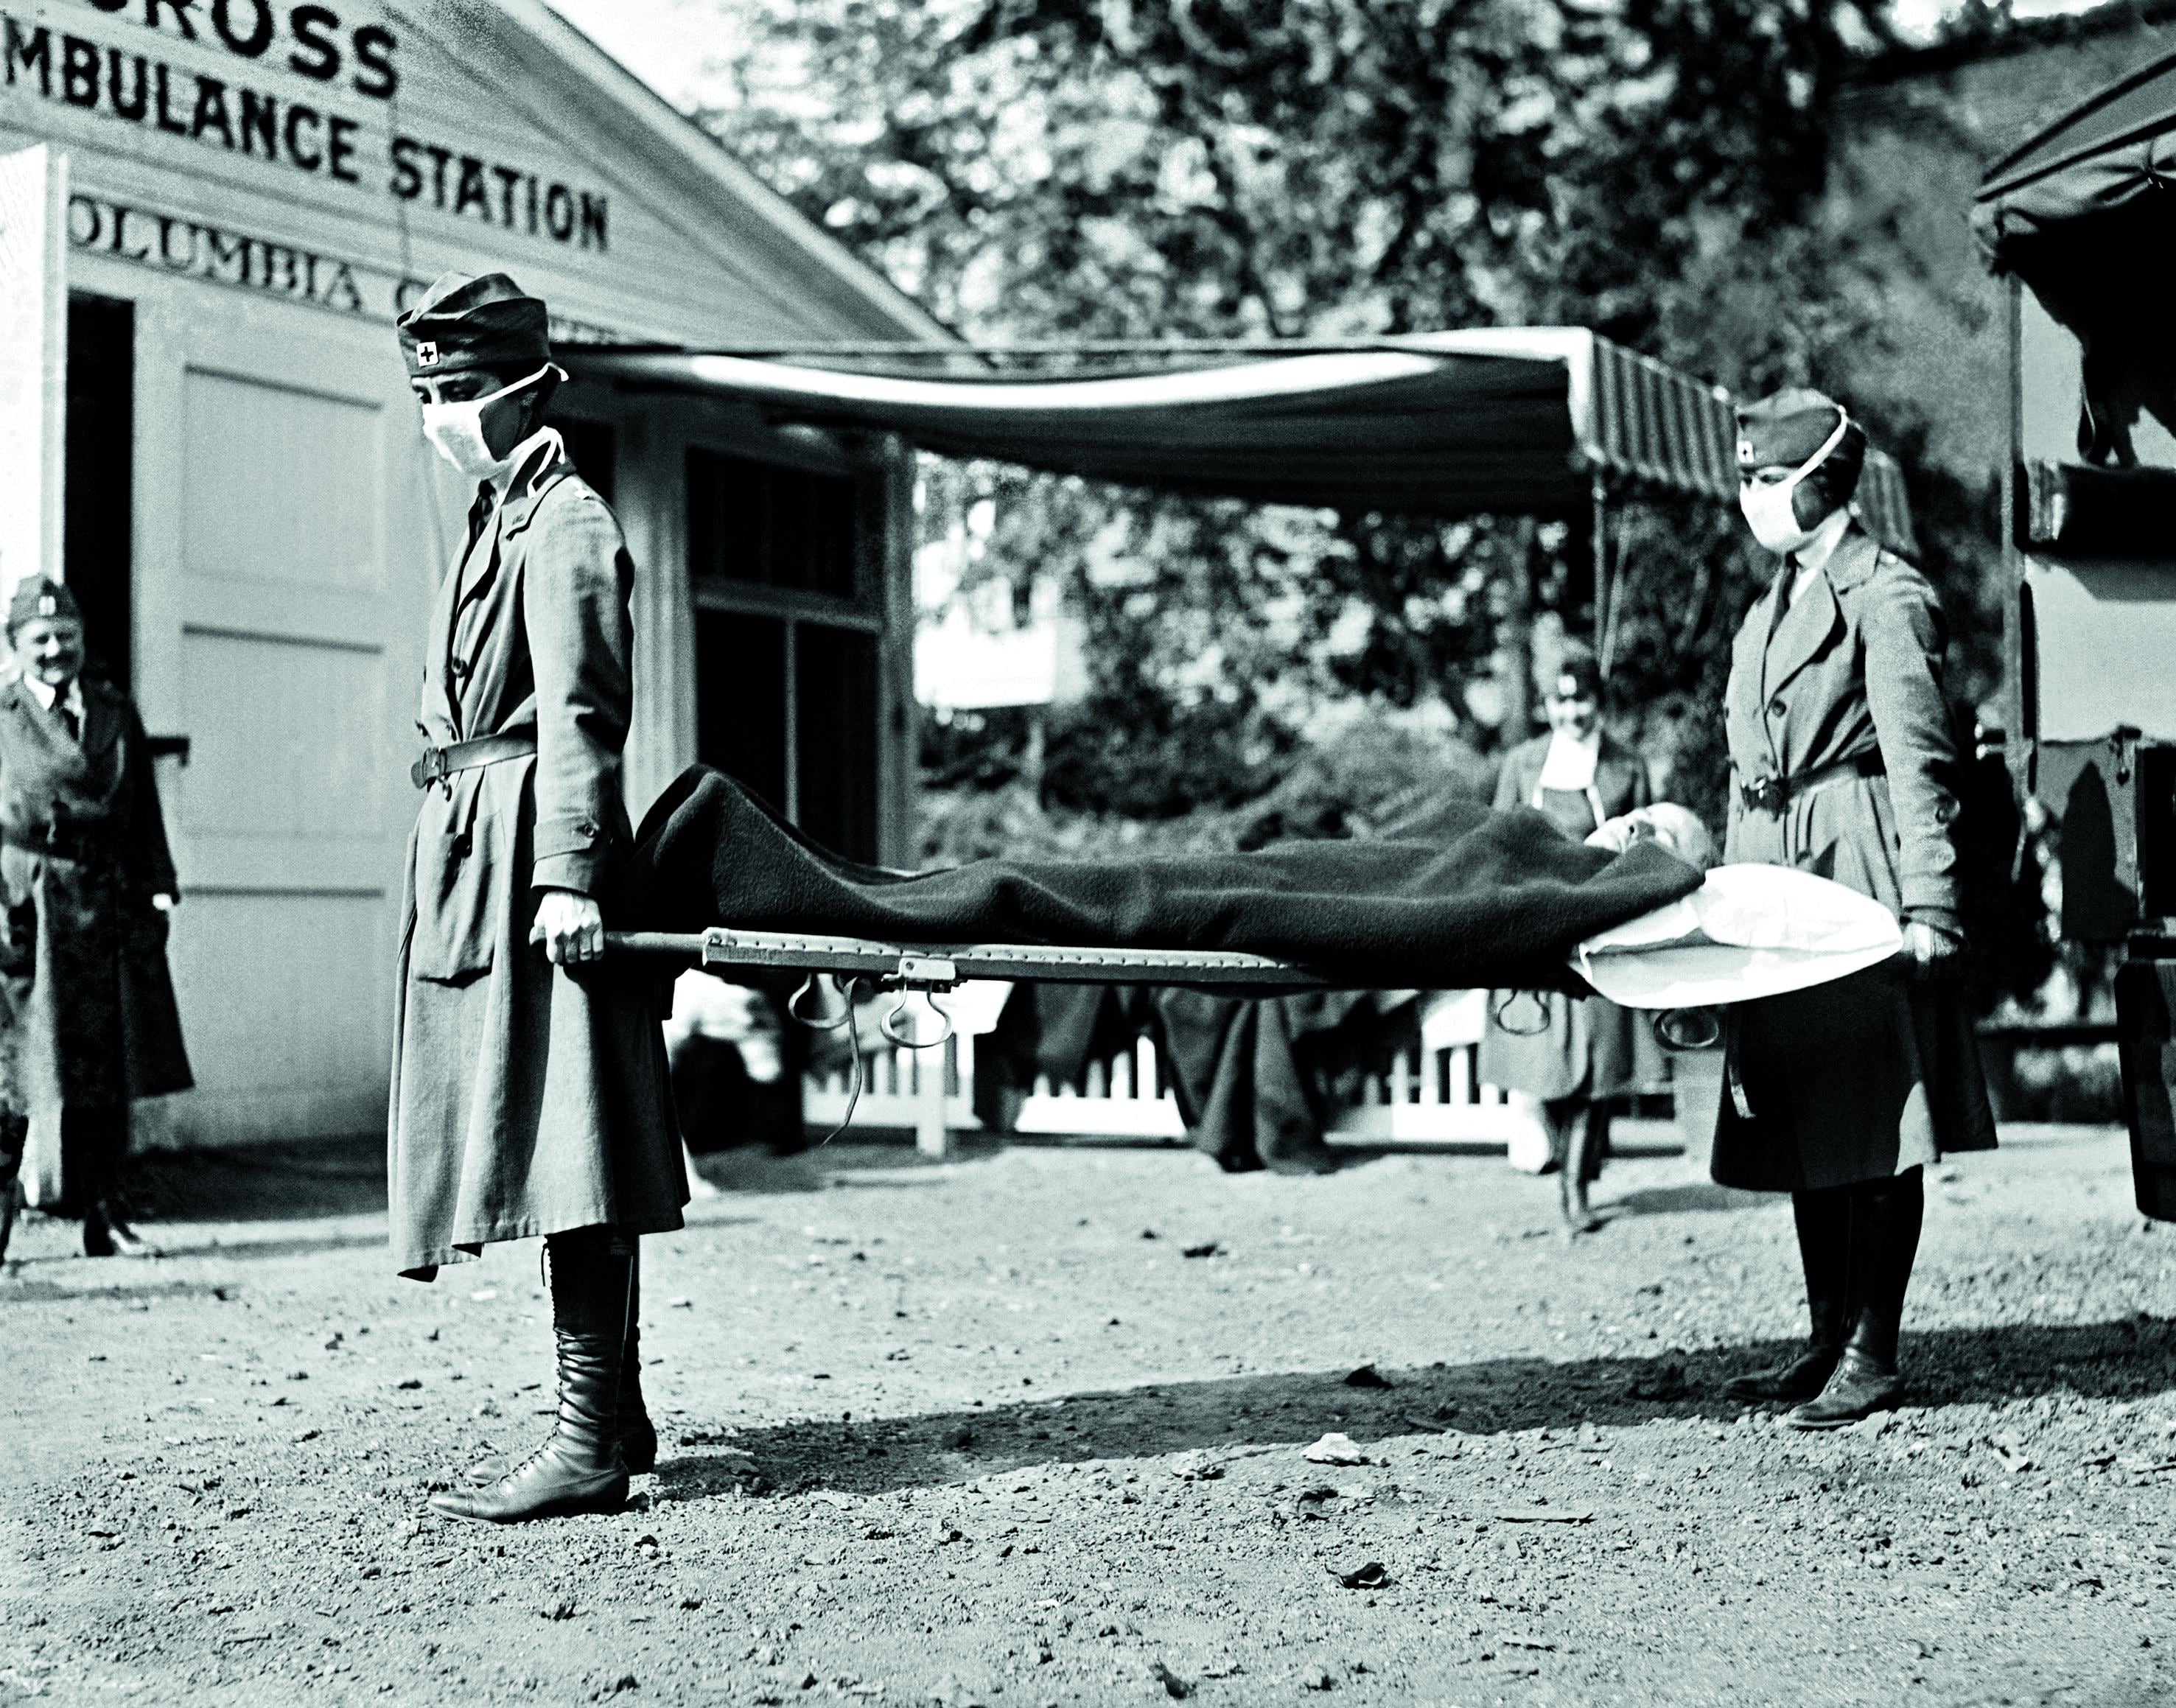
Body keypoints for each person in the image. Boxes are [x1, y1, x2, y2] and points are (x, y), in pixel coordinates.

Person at [388, 272, 683, 1524]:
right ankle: (611, 1415)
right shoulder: (494, 512)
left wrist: (568, 872)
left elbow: (579, 710)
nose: (439, 414)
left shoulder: (561, 518)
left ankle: (585, 1441)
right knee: (555, 1133)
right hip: (476, 849)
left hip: (531, 860)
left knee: (573, 1142)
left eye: (455, 392)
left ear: (522, 391)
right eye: (426, 393)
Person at [1713, 388, 1994, 1429]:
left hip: (1856, 865)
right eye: (1743, 476)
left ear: (1822, 480)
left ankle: (1873, 1354)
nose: (1749, 496)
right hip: (1771, 867)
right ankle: (1827, 1337)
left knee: (1874, 1118)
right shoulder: (1771, 601)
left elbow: (1922, 756)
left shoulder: (1888, 594)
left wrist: (1931, 903)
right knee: (1801, 1116)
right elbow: (1742, 758)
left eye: (1764, 477)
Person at [0, 577, 191, 1261]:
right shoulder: (2, 714)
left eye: (67, 638)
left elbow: (143, 813)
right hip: (27, 904)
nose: (56, 651)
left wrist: (158, 888)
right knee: (13, 1068)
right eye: (41, 640)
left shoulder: (113, 711)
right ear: (16, 648)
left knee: (105, 1070)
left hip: (106, 904)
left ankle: (104, 1216)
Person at [1480, 645, 1652, 1232]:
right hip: (1534, 930)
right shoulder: (1522, 763)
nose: (1571, 713)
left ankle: (1574, 1193)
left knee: (1595, 1068)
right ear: (1545, 705)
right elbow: (1493, 842)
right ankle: (1566, 1158)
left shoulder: (1625, 766)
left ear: (1598, 703)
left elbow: (1647, 849)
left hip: (1600, 926)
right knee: (1542, 1062)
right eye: (1561, 701)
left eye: (1582, 701)